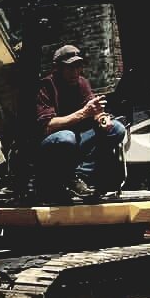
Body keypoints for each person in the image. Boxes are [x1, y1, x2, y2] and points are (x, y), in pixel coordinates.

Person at [36, 44, 126, 200]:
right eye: (70, 67)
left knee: (116, 129)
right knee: (66, 137)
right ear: (57, 68)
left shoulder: (82, 83)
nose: (75, 72)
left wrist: (102, 119)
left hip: (76, 141)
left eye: (78, 67)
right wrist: (84, 113)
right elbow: (48, 126)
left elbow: (96, 111)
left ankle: (80, 177)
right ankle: (59, 179)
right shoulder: (45, 86)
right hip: (51, 147)